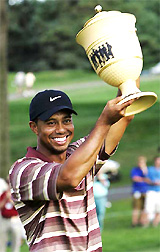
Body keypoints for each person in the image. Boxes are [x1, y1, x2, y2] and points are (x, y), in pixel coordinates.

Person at [9, 82, 138, 252]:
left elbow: (125, 115)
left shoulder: (82, 153)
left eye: (67, 121)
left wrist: (129, 70)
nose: (61, 129)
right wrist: (104, 121)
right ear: (34, 127)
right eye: (51, 123)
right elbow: (68, 177)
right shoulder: (23, 171)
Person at [0, 178, 22, 252]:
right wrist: (5, 198)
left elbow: (20, 207)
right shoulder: (4, 194)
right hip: (4, 220)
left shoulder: (17, 194)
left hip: (14, 220)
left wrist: (11, 201)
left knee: (16, 241)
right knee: (2, 241)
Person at [130, 156, 148, 227]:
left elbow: (148, 178)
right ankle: (134, 222)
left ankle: (142, 221)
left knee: (144, 207)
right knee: (136, 207)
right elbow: (135, 178)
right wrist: (143, 179)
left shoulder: (147, 170)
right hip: (137, 190)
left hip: (145, 190)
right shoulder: (135, 170)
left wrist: (144, 170)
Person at [145, 156, 160, 227]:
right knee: (149, 209)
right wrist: (153, 182)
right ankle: (146, 224)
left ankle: (155, 224)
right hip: (152, 191)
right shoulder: (150, 170)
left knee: (158, 209)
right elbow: (146, 179)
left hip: (159, 191)